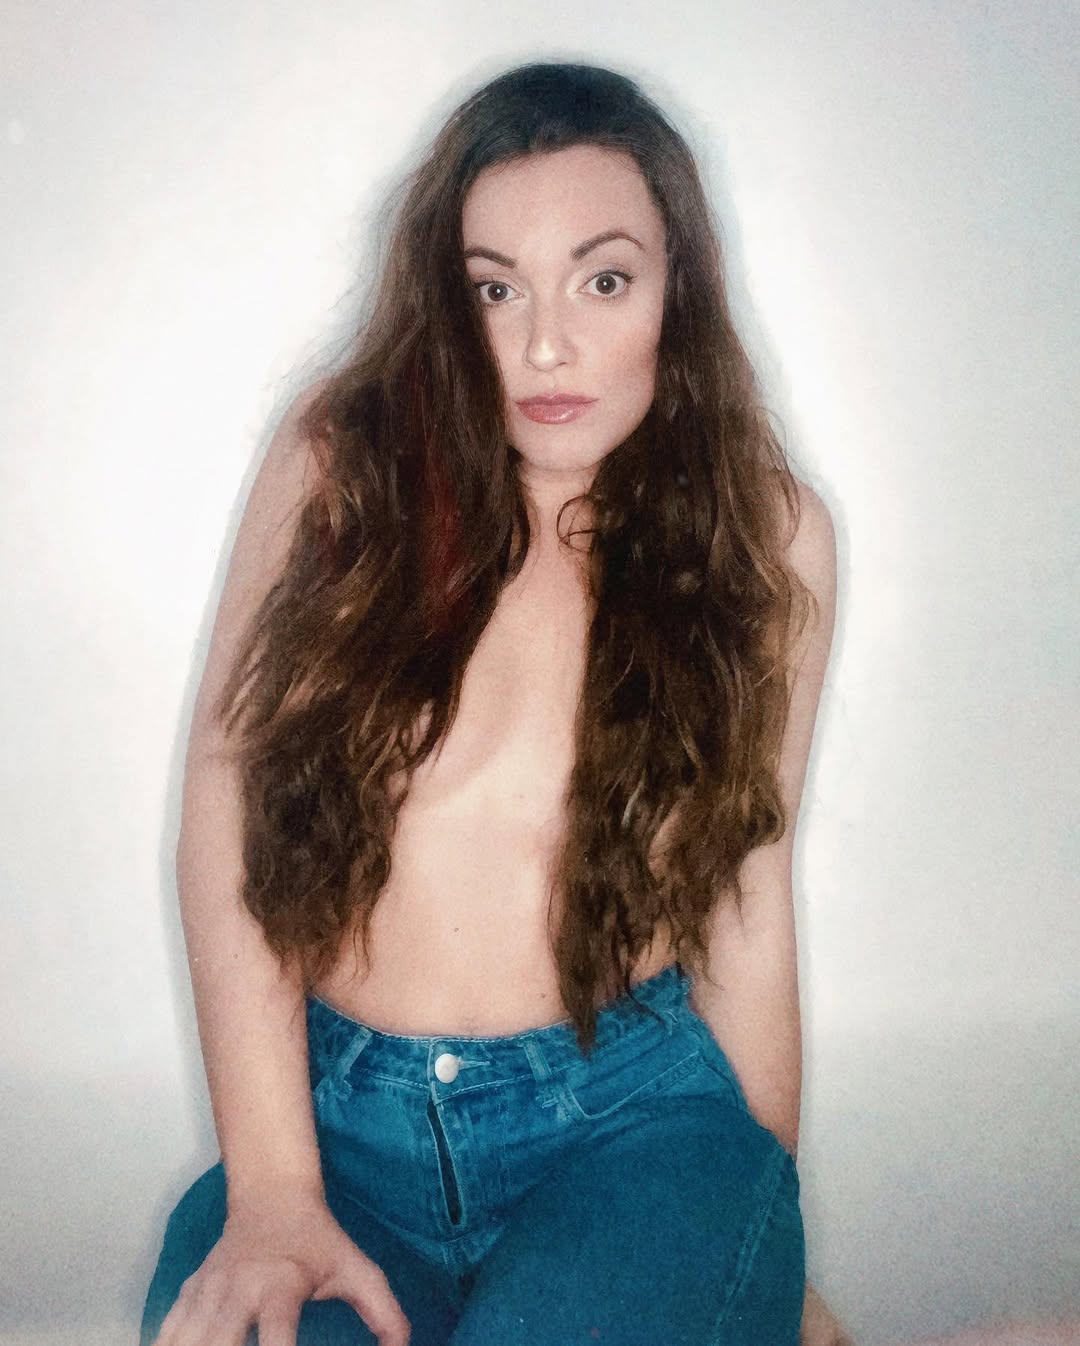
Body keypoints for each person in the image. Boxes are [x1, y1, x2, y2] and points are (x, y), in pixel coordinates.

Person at [141, 60, 845, 1346]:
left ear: (678, 289)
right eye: (495, 288)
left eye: (603, 280)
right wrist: (276, 1189)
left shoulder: (770, 532)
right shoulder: (342, 465)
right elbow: (227, 803)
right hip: (334, 1138)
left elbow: (747, 888)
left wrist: (750, 1233)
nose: (546, 344)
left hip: (633, 1126)